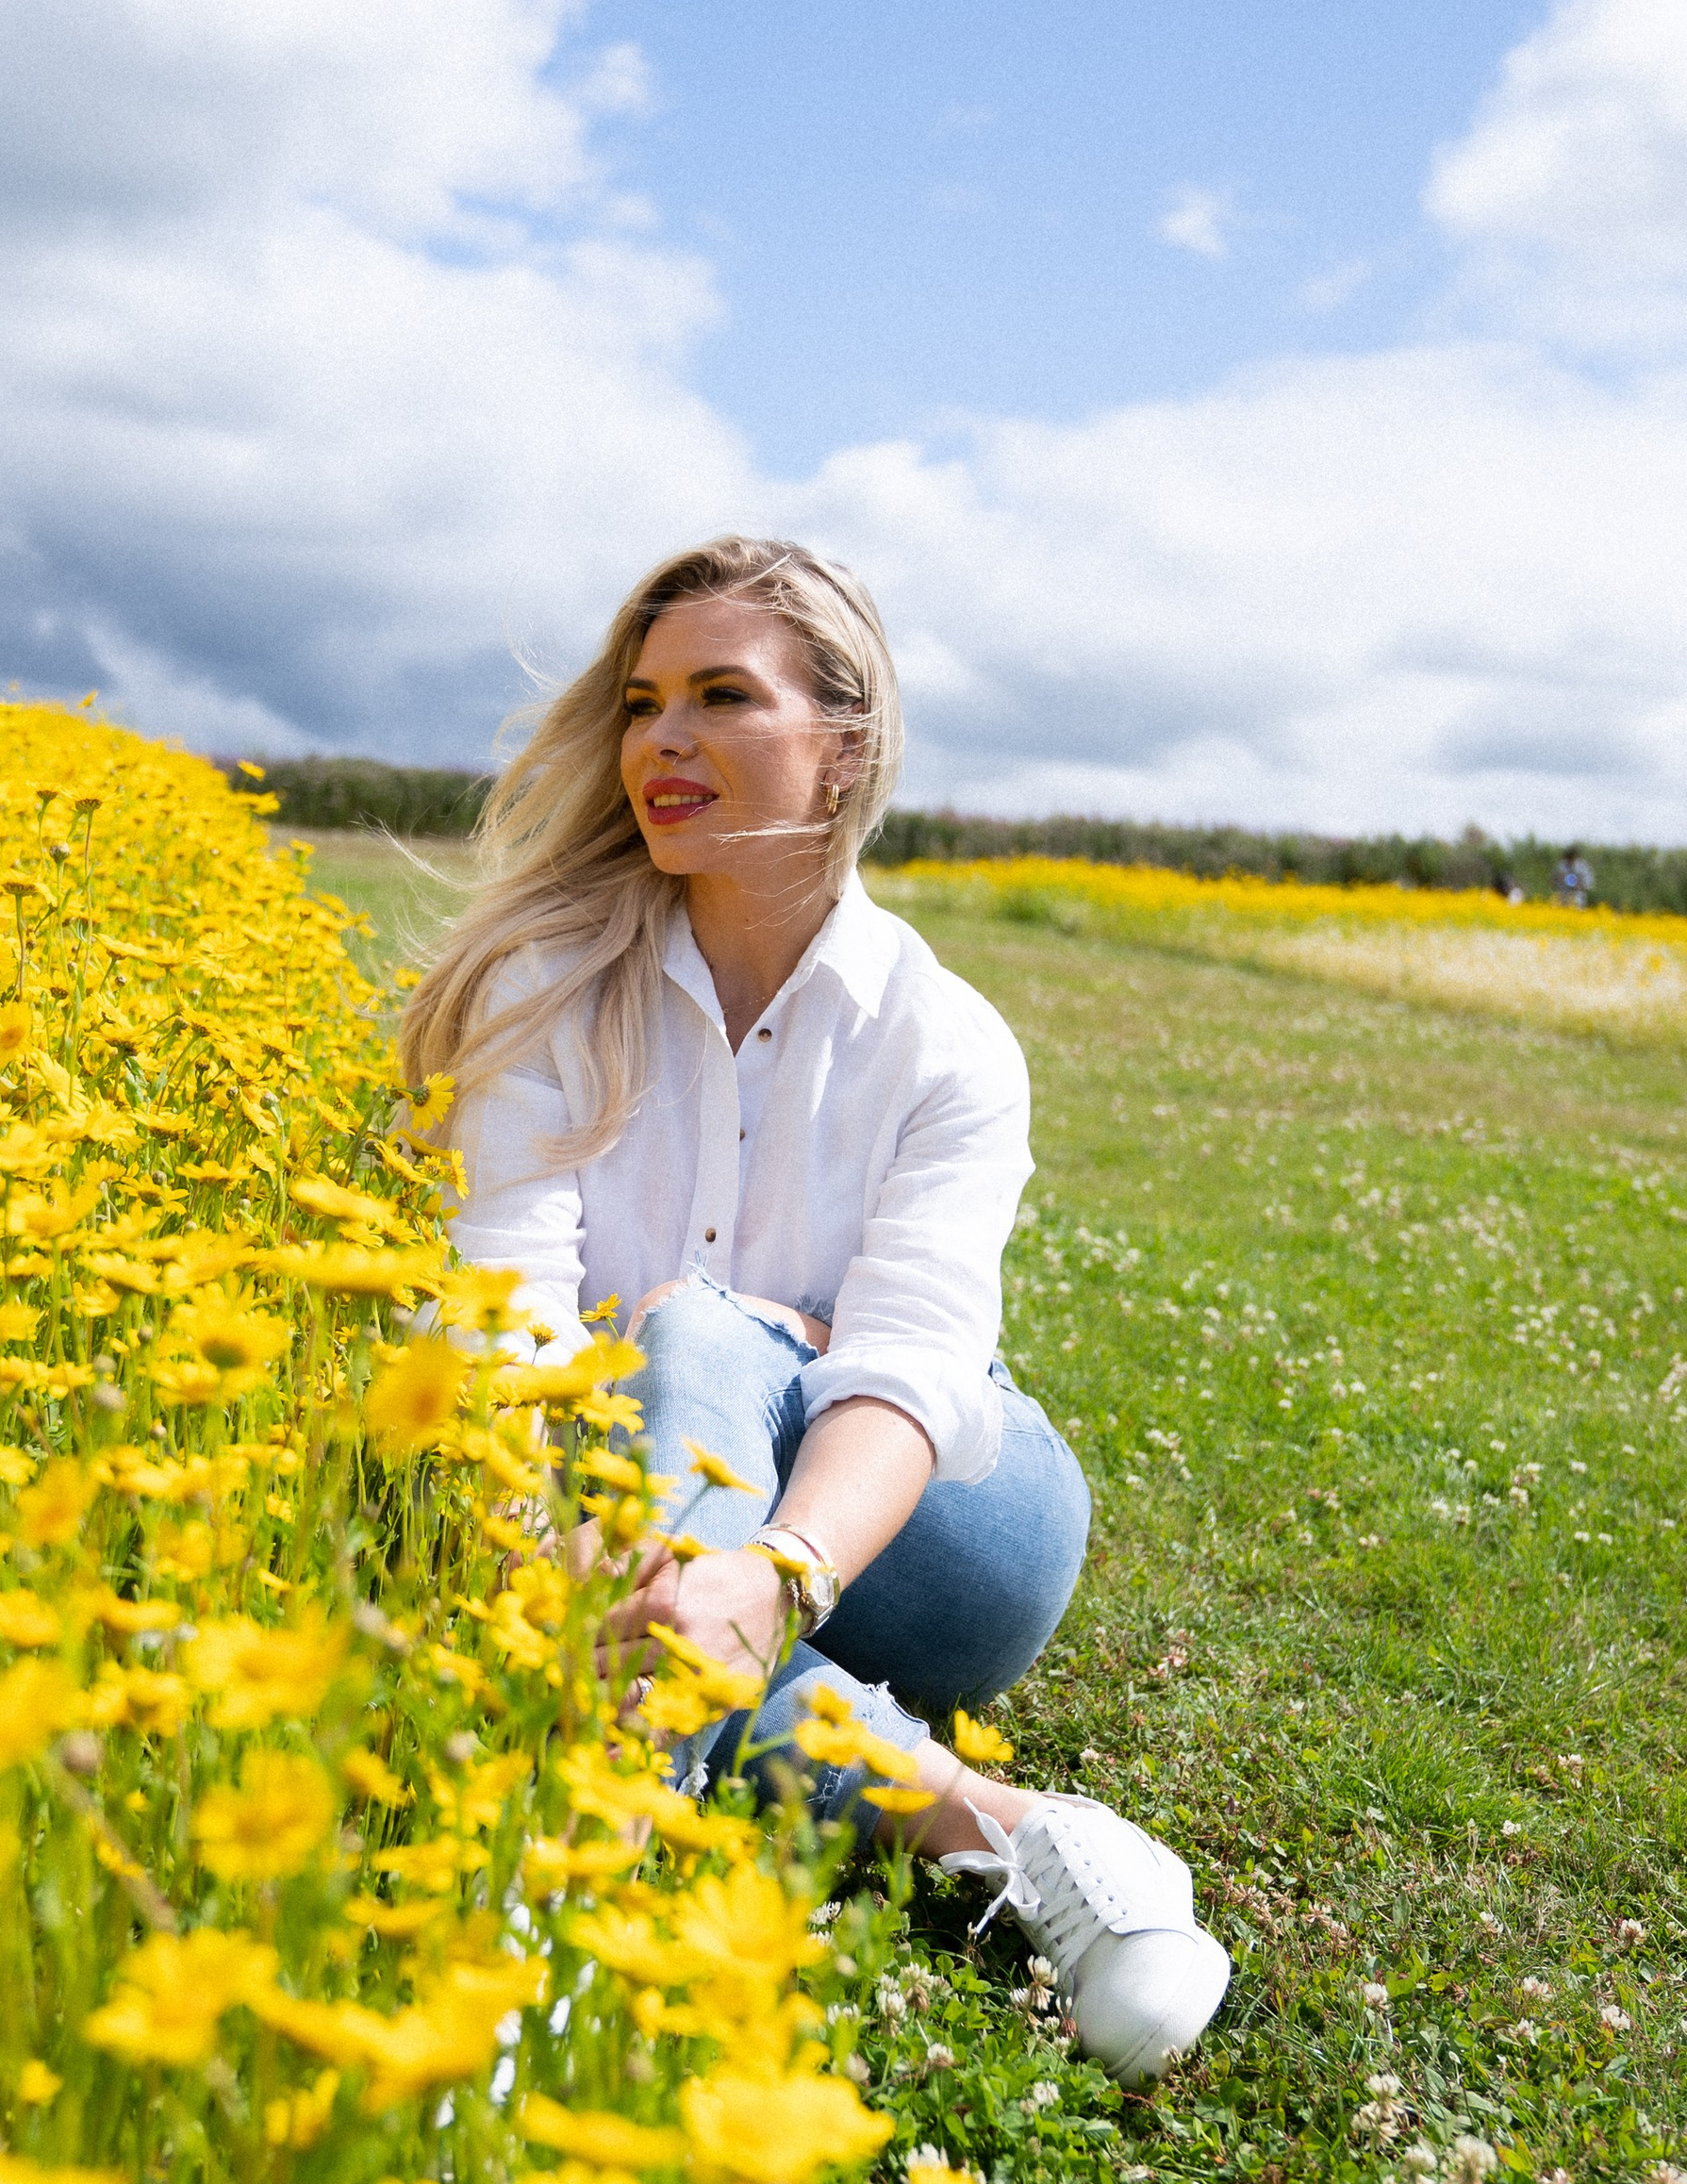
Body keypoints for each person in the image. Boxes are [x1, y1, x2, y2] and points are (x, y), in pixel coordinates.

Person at [401, 537, 1230, 2080]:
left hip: (937, 1532)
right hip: (624, 1522)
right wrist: (553, 1547)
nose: (663, 740)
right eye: (645, 703)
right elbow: (498, 1326)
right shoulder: (544, 1000)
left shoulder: (947, 1044)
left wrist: (772, 1571)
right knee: (650, 1490)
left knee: (699, 1329)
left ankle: (565, 1882)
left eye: (723, 695)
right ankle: (1012, 1839)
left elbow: (909, 1372)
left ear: (843, 748)